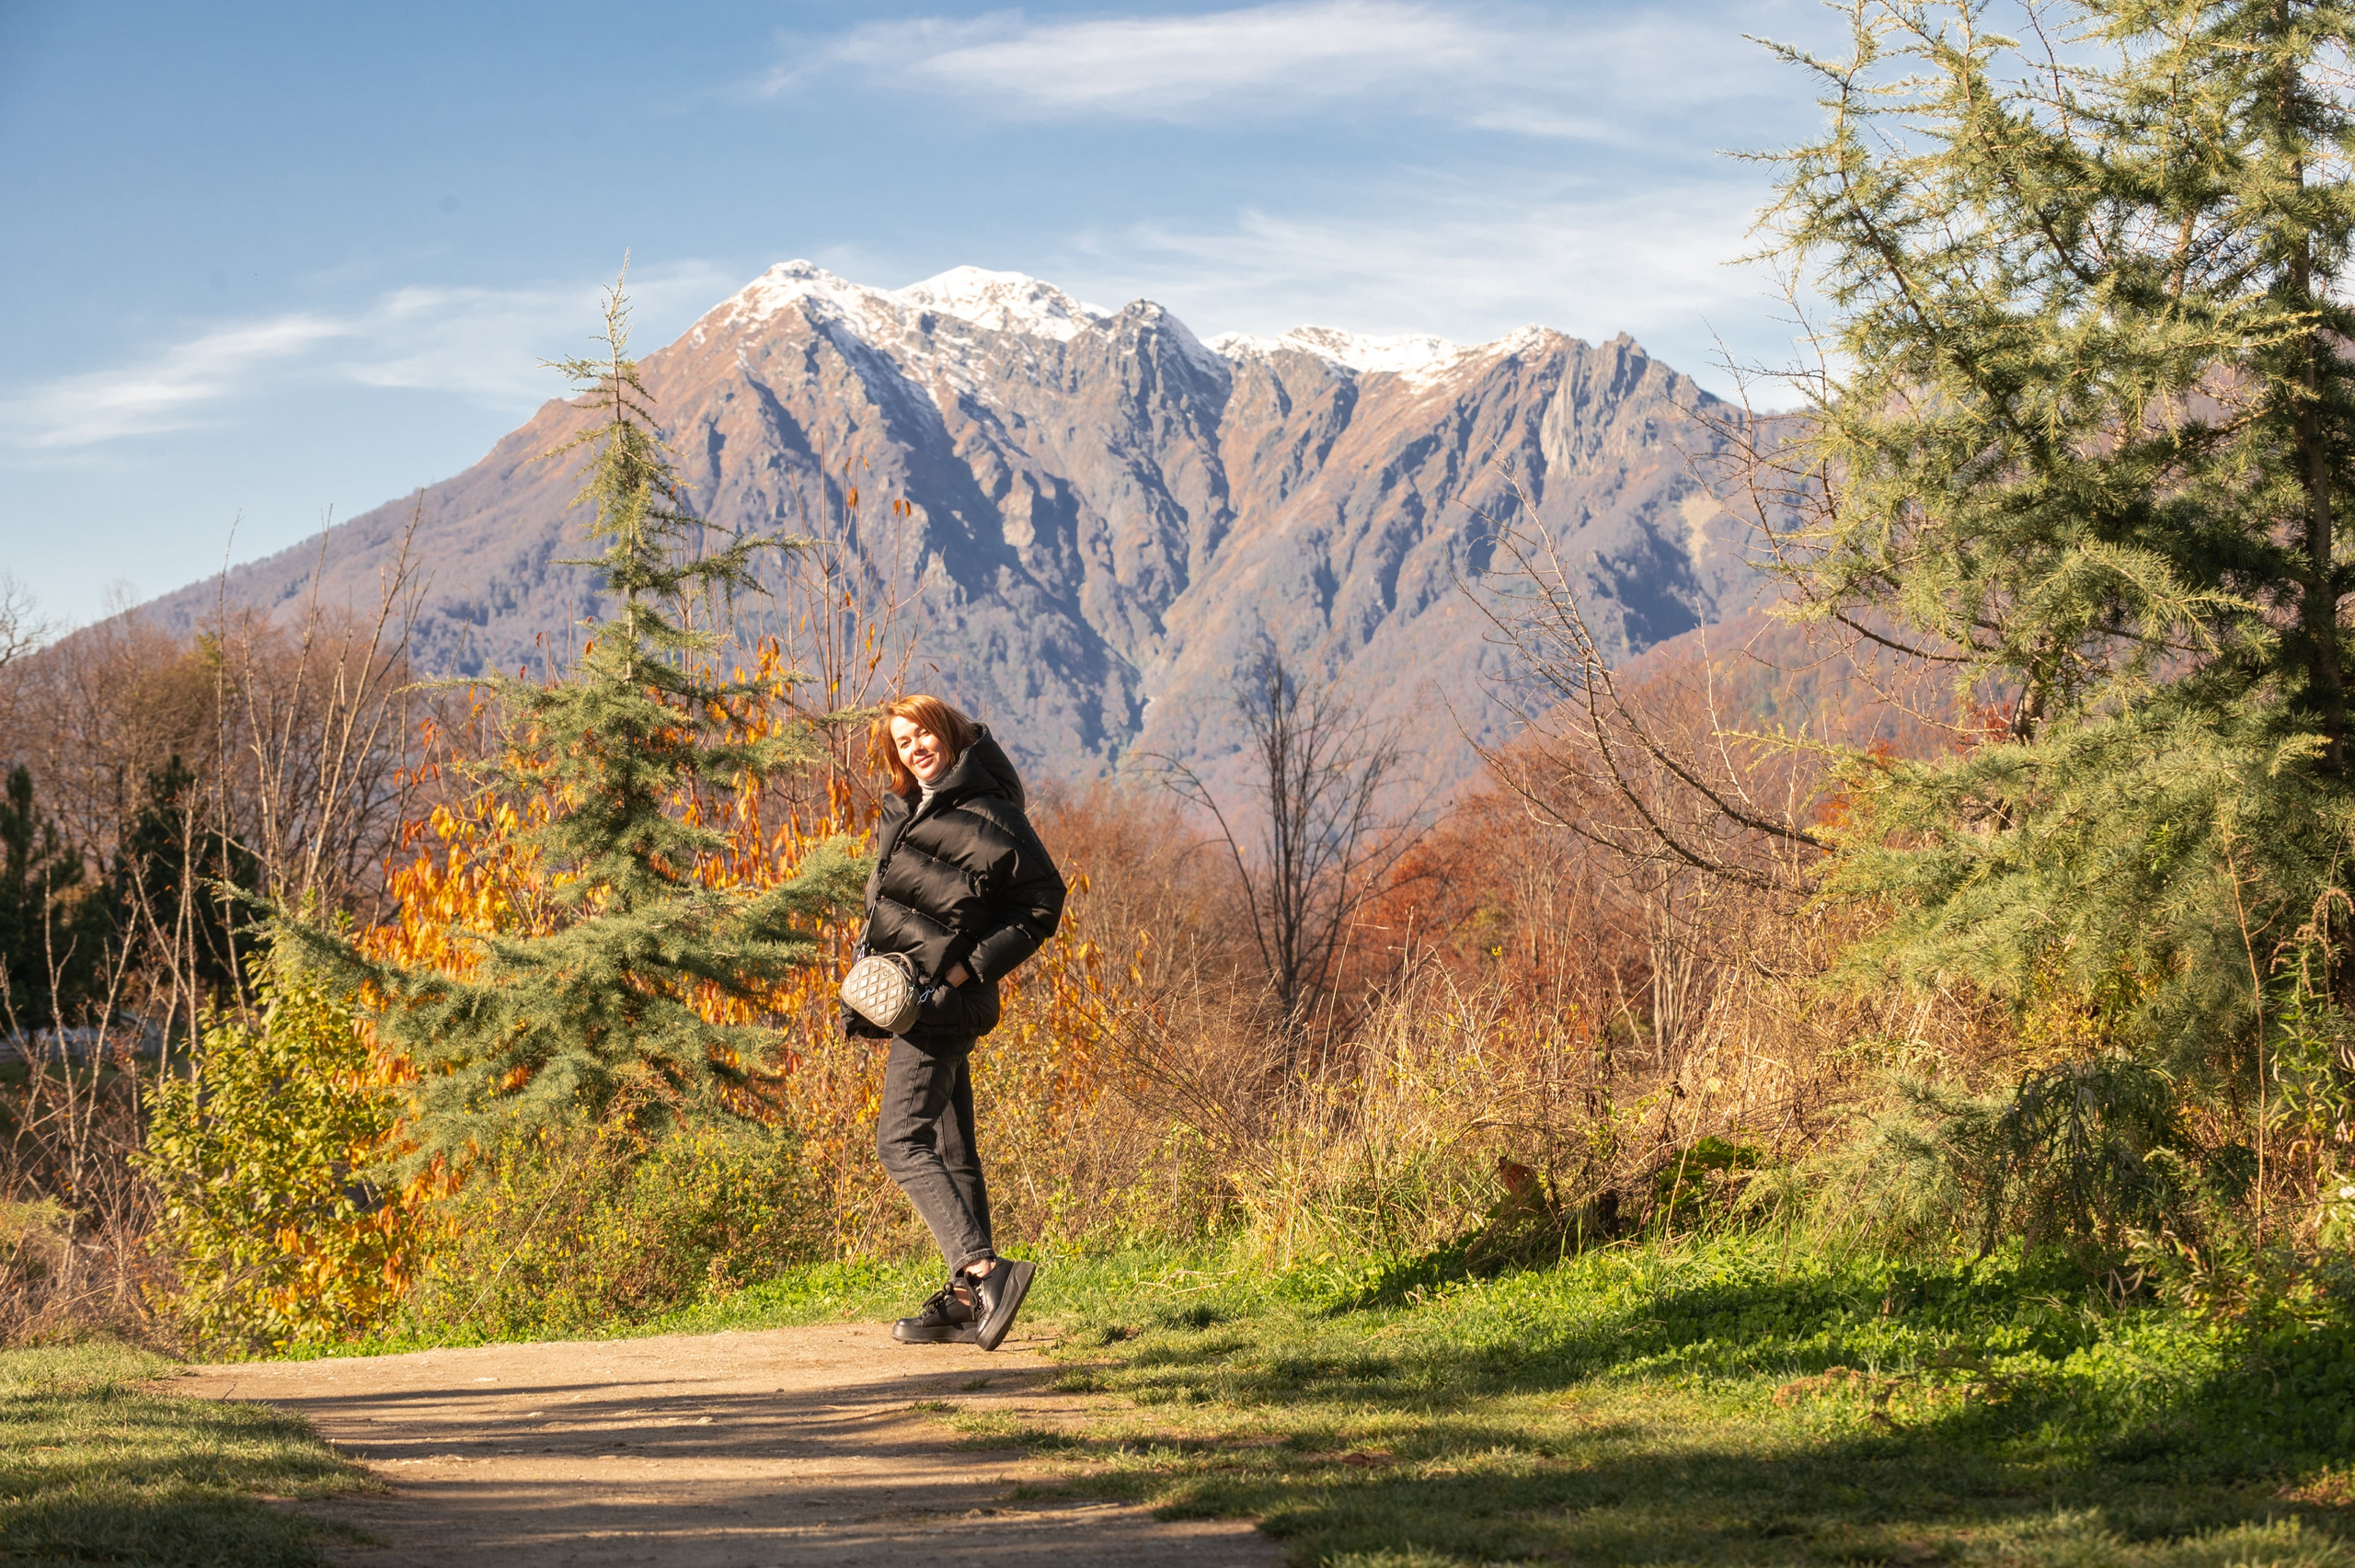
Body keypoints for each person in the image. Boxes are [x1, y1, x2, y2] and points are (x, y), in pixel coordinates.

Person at [847, 695, 1065, 1351]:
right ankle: (969, 1299)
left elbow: (1041, 903)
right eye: (902, 740)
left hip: (941, 1003)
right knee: (948, 1145)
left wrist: (964, 971)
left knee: (900, 1139)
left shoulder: (990, 812)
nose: (915, 747)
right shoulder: (910, 808)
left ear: (948, 732)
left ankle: (984, 1271)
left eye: (923, 733)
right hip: (907, 996)